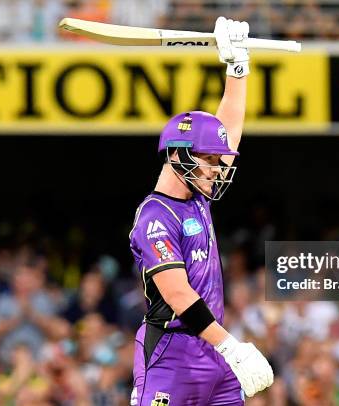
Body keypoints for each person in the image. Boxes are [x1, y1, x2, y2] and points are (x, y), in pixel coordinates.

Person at [128, 16, 273, 406]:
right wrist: (232, 348)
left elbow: (228, 131)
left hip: (212, 350)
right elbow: (177, 294)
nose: (217, 168)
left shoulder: (197, 194)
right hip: (171, 354)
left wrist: (237, 68)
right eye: (207, 160)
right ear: (177, 155)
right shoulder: (155, 216)